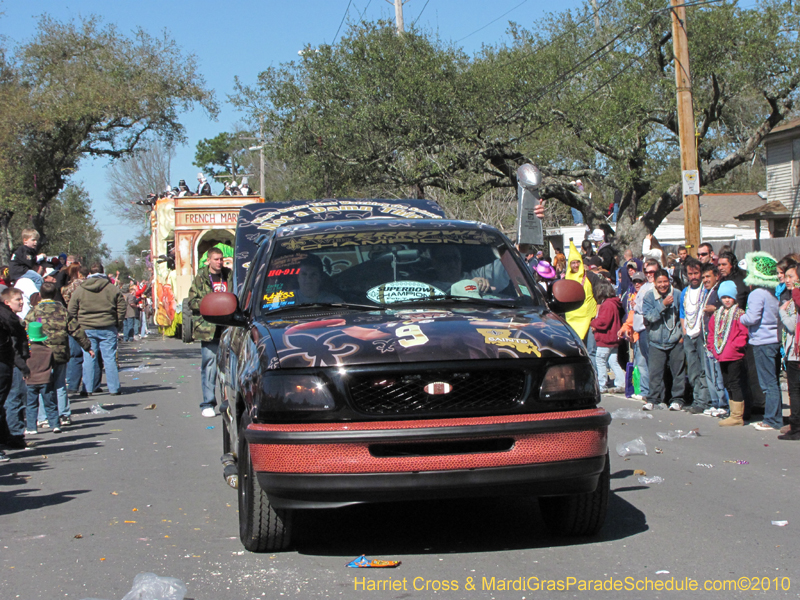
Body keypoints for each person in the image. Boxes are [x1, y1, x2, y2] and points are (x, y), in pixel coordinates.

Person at [24, 282, 93, 428]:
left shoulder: (35, 311)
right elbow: (75, 330)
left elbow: (24, 329)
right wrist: (87, 346)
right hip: (60, 352)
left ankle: (43, 417)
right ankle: (64, 414)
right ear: (55, 294)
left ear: (40, 295)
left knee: (43, 382)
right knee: (60, 384)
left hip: (41, 353)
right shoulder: (62, 311)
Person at [67, 263, 126, 397]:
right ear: (103, 271)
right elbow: (121, 307)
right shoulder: (112, 289)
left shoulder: (80, 289)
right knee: (109, 357)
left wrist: (77, 325)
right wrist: (117, 322)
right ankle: (114, 388)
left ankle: (87, 389)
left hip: (86, 328)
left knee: (88, 357)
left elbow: (71, 309)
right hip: (108, 326)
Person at [739, 252, 783, 432]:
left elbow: (752, 318)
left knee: (768, 382)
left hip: (762, 341)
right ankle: (775, 416)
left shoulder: (757, 293)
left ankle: (772, 419)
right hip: (774, 339)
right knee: (774, 381)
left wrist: (741, 317)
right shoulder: (772, 292)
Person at [187, 247, 232, 418]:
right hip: (209, 328)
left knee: (229, 366)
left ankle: (228, 402)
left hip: (228, 326)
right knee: (210, 364)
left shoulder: (229, 276)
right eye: (216, 259)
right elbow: (192, 302)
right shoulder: (201, 278)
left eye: (221, 259)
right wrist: (211, 303)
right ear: (208, 260)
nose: (219, 262)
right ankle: (208, 403)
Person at [707, 281, 749, 426]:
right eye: (724, 297)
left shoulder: (739, 314)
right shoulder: (717, 314)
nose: (726, 300)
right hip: (721, 354)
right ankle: (732, 412)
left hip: (734, 355)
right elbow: (711, 332)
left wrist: (734, 346)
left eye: (729, 297)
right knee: (727, 383)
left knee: (735, 383)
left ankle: (737, 416)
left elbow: (743, 334)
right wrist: (712, 346)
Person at [642, 270, 685, 411]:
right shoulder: (649, 296)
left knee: (677, 372)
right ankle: (653, 399)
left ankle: (677, 399)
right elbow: (650, 317)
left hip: (674, 339)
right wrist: (663, 305)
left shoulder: (677, 294)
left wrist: (681, 335)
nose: (663, 285)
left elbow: (682, 315)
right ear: (654, 282)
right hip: (656, 341)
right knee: (655, 373)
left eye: (665, 281)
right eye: (659, 282)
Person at [0, 288, 30, 459]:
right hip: (9, 364)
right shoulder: (7, 320)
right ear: (7, 302)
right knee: (15, 398)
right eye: (17, 299)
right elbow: (13, 346)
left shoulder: (11, 319)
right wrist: (22, 366)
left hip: (10, 363)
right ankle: (15, 434)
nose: (21, 302)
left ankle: (7, 436)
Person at [680, 257, 710, 414]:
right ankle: (697, 397)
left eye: (696, 273)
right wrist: (685, 333)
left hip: (701, 335)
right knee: (692, 370)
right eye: (690, 273)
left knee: (704, 369)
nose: (693, 277)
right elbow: (682, 313)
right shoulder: (685, 293)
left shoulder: (705, 291)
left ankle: (702, 400)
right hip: (689, 335)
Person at [564, 241, 601, 363]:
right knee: (576, 351)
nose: (575, 265)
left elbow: (599, 295)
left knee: (591, 351)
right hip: (572, 320)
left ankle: (596, 378)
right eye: (572, 263)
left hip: (589, 318)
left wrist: (597, 314)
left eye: (577, 262)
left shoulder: (590, 277)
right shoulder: (565, 279)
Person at [700, 263, 728, 417]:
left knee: (717, 373)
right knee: (709, 372)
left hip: (717, 339)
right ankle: (715, 402)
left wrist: (715, 310)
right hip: (706, 337)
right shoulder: (706, 292)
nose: (705, 280)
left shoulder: (719, 292)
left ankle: (723, 403)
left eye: (708, 276)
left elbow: (729, 309)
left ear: (716, 276)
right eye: (703, 277)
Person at [631, 258, 660, 401]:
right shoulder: (644, 287)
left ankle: (653, 392)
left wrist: (636, 306)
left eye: (652, 272)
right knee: (642, 363)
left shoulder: (655, 287)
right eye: (647, 272)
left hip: (647, 328)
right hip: (639, 329)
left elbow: (647, 308)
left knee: (650, 362)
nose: (649, 275)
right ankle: (645, 390)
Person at [23, 322, 59, 435]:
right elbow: (53, 364)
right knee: (50, 403)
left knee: (31, 405)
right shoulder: (48, 350)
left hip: (30, 380)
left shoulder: (27, 351)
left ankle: (31, 427)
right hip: (46, 379)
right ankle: (55, 425)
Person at [590, 278, 625, 393]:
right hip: (613, 338)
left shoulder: (607, 304)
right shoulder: (613, 303)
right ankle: (621, 382)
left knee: (600, 359)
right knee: (612, 361)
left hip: (606, 338)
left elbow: (603, 322)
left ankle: (602, 384)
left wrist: (592, 322)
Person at [777, 264, 800, 440]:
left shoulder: (797, 297)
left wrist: (782, 312)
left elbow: (793, 326)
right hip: (792, 351)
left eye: (791, 276)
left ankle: (796, 427)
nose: (787, 280)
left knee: (795, 390)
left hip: (797, 352)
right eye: (786, 276)